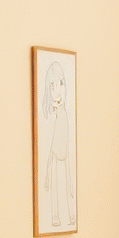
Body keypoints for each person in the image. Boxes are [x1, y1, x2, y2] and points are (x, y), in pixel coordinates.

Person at [42, 60, 76, 227]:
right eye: (53, 85)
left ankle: (69, 215)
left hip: (65, 154)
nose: (58, 90)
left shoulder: (65, 114)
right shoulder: (52, 116)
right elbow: (48, 142)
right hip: (55, 155)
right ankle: (55, 216)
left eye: (61, 83)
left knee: (67, 183)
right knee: (56, 185)